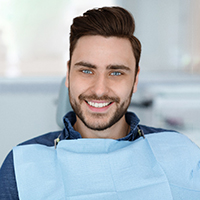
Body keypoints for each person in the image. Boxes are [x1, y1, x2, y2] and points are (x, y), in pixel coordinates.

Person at [0, 6, 200, 200]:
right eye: (86, 71)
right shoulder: (22, 164)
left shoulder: (181, 153)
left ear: (135, 80)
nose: (99, 90)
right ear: (68, 74)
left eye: (116, 73)